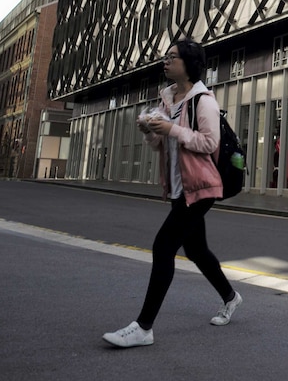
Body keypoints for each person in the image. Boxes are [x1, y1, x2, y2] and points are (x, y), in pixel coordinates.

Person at [103, 39, 242, 348]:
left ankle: (143, 327)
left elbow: (209, 143)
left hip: (202, 187)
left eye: (172, 57)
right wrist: (151, 133)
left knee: (163, 246)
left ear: (189, 64)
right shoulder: (168, 100)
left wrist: (172, 130)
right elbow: (161, 146)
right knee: (195, 249)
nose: (165, 62)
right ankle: (231, 297)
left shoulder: (202, 100)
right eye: (165, 57)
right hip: (182, 187)